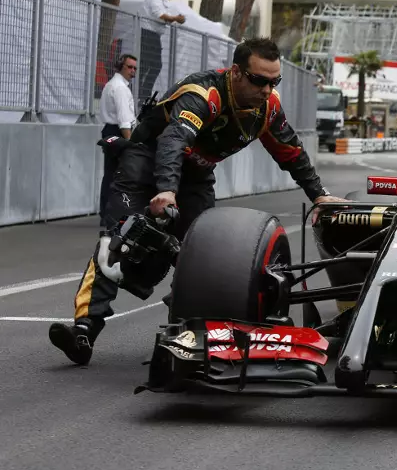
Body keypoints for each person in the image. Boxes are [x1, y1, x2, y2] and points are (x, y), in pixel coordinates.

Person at [49, 37, 347, 366]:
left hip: (196, 176)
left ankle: (186, 330)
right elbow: (173, 142)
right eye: (259, 81)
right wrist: (166, 190)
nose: (266, 90)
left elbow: (290, 152)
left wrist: (318, 194)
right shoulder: (204, 94)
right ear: (236, 72)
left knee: (206, 252)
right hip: (146, 164)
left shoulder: (268, 108)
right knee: (116, 244)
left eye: (274, 82)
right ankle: (84, 331)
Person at [97, 54, 138, 221]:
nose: (133, 71)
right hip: (118, 132)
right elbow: (124, 120)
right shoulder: (120, 88)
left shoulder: (111, 84)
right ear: (121, 66)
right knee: (119, 175)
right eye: (129, 67)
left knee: (110, 173)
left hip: (109, 131)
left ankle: (106, 212)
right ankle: (112, 213)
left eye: (135, 68)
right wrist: (131, 143)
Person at [139, 0, 186, 104]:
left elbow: (168, 16)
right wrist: (176, 18)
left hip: (155, 35)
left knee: (151, 65)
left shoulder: (163, 1)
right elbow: (161, 15)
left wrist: (176, 18)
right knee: (151, 65)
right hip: (148, 33)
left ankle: (143, 93)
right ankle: (142, 93)